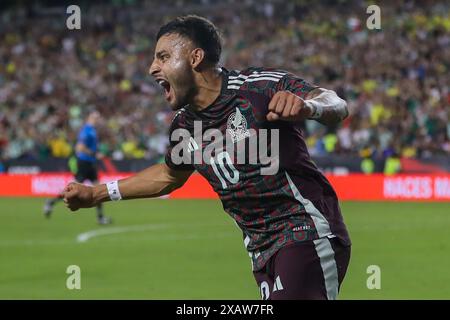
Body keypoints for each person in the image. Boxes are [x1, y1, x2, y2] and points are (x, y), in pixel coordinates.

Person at [62, 15, 351, 299]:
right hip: (262, 252)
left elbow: (335, 103)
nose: (152, 68)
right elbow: (167, 175)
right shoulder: (185, 126)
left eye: (162, 57)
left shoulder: (258, 88)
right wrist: (96, 194)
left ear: (195, 57)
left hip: (305, 231)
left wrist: (309, 106)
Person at [44, 110, 112, 225]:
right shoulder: (86, 131)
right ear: (89, 118)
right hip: (84, 163)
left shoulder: (92, 131)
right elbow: (79, 148)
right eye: (95, 117)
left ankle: (100, 218)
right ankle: (51, 202)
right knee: (73, 190)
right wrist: (94, 154)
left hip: (90, 163)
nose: (97, 120)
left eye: (98, 117)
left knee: (99, 189)